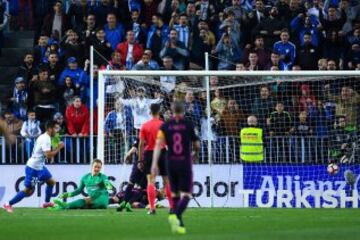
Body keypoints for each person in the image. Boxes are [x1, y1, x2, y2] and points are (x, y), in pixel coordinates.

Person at [152, 101, 200, 234]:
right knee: (187, 194)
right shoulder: (188, 124)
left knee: (175, 194)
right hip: (184, 162)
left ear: (172, 111)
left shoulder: (165, 125)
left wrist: (154, 163)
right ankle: (176, 215)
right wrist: (195, 154)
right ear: (183, 111)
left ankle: (179, 222)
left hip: (170, 162)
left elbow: (158, 145)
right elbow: (197, 144)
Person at [3, 121, 64, 213]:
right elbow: (48, 155)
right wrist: (59, 148)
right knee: (29, 190)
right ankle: (8, 203)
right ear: (50, 129)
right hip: (34, 168)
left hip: (40, 166)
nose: (57, 130)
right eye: (55, 128)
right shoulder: (45, 139)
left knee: (51, 182)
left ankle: (46, 203)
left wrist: (55, 144)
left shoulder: (47, 137)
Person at [138, 103, 172, 215]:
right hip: (162, 152)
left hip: (149, 153)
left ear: (149, 111)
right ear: (159, 112)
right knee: (166, 181)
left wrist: (140, 159)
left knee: (150, 181)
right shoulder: (164, 125)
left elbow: (141, 144)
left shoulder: (145, 125)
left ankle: (152, 208)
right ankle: (172, 207)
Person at [116, 138, 147, 212]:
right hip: (146, 163)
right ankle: (129, 203)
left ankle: (124, 202)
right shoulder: (152, 136)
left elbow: (134, 148)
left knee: (131, 183)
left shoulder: (140, 136)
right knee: (142, 188)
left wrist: (129, 153)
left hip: (137, 163)